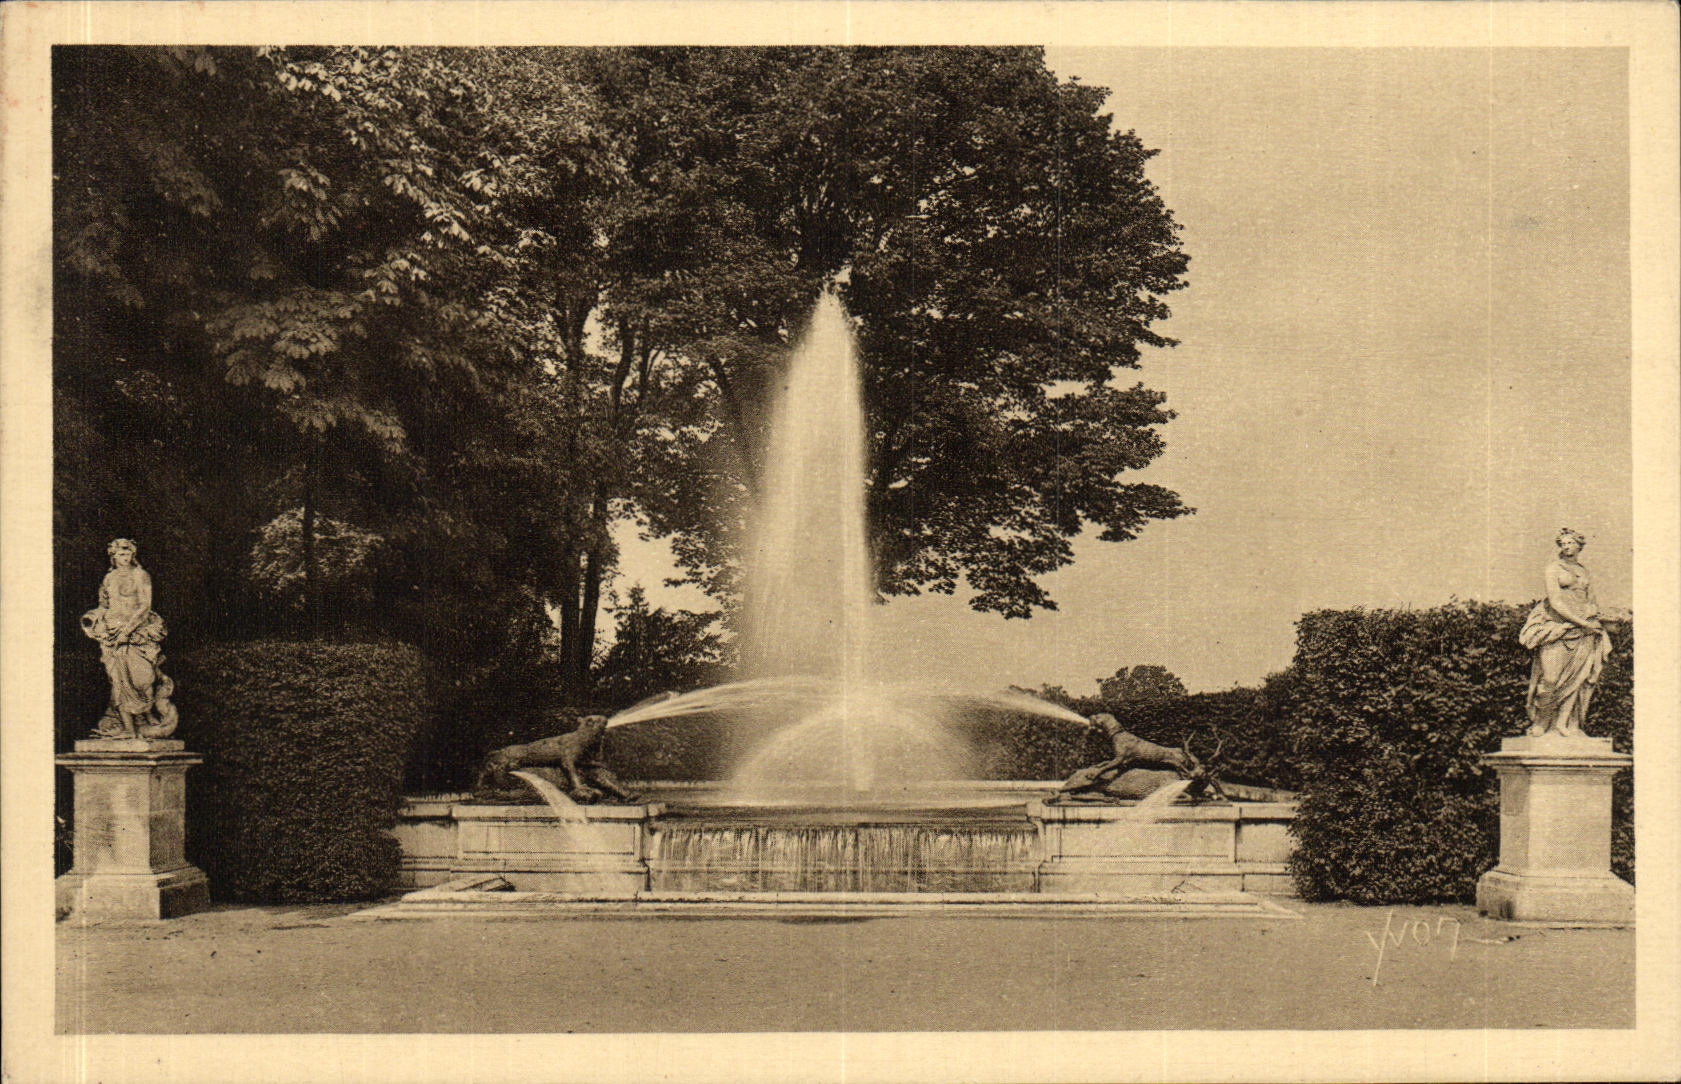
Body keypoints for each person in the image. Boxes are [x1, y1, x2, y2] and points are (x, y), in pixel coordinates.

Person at [1518, 528, 1613, 737]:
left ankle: (1564, 723)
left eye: (1569, 543)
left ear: (1579, 545)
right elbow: (1556, 602)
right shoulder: (1553, 568)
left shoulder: (1584, 571)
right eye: (1562, 544)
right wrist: (1581, 622)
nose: (1566, 547)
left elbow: (1591, 601)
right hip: (1558, 628)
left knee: (1577, 679)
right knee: (1550, 679)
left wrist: (1594, 617)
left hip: (1584, 631)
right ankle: (1542, 722)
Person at [81, 538, 177, 739]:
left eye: (127, 554)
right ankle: (127, 727)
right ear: (113, 557)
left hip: (137, 634)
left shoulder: (140, 576)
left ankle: (143, 718)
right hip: (112, 636)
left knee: (144, 678)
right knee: (118, 680)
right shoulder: (108, 579)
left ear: (133, 555)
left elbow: (144, 606)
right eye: (120, 555)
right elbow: (104, 606)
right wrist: (92, 618)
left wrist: (128, 630)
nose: (124, 558)